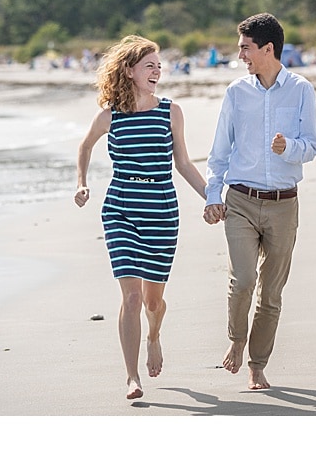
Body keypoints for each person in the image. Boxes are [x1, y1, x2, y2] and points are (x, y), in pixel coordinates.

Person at [75, 35, 208, 400]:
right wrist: (82, 183)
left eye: (159, 65)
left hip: (161, 210)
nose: (157, 71)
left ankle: (153, 334)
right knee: (131, 297)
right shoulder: (109, 114)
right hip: (120, 208)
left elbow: (183, 163)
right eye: (150, 65)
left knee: (152, 302)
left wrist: (211, 197)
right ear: (130, 70)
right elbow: (85, 146)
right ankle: (132, 377)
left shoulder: (171, 111)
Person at [202, 13, 316, 390]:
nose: (240, 56)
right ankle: (237, 339)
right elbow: (220, 150)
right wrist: (212, 195)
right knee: (243, 280)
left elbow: (311, 147)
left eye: (246, 49)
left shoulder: (301, 90)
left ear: (268, 49)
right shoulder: (237, 92)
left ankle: (257, 364)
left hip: (285, 204)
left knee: (271, 292)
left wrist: (290, 148)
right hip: (240, 200)